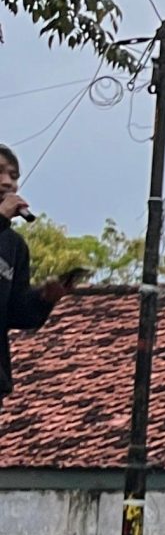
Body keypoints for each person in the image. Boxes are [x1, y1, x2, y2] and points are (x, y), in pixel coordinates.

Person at [0, 144, 77, 410]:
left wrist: (44, 298)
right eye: (0, 172)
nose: (7, 182)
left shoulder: (14, 245)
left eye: (13, 176)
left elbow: (16, 315)